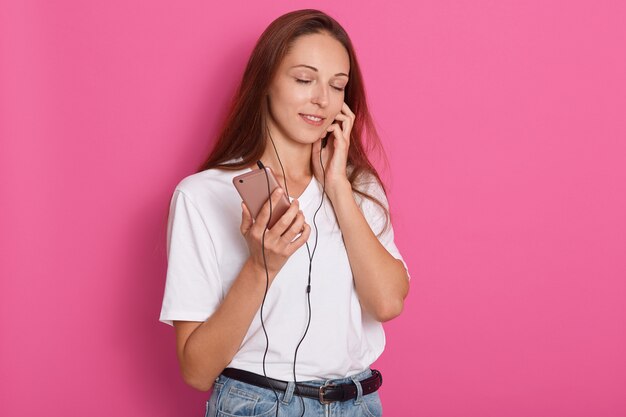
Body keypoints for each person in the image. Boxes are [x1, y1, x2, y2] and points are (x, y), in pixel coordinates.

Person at [159, 9, 411, 417]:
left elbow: (386, 303)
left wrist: (337, 190)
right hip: (256, 404)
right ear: (265, 83)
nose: (322, 100)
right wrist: (262, 266)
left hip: (358, 404)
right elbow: (197, 370)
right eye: (303, 79)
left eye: (337, 85)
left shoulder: (359, 189)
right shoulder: (201, 196)